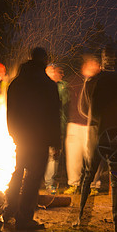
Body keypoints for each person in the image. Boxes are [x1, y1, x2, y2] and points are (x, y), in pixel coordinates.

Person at [74, 49, 117, 232]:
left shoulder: (93, 81)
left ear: (103, 61)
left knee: (88, 174)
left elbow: (84, 109)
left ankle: (80, 218)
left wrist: (98, 118)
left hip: (96, 133)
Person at [3, 47, 61, 230]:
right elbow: (53, 115)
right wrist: (55, 142)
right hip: (40, 139)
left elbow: (10, 111)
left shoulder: (17, 83)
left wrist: (13, 132)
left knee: (18, 172)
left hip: (22, 137)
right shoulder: (48, 85)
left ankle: (9, 209)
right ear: (44, 61)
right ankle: (24, 217)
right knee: (33, 178)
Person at [63, 55, 102, 195]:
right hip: (74, 124)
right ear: (85, 65)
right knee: (73, 156)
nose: (96, 66)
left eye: (97, 64)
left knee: (92, 156)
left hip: (92, 125)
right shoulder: (74, 80)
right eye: (93, 63)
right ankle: (74, 184)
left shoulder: (100, 82)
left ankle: (93, 184)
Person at [44, 63, 69, 194]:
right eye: (59, 72)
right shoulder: (40, 86)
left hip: (58, 125)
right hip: (42, 126)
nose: (61, 74)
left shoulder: (62, 86)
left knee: (54, 155)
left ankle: (49, 184)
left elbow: (64, 103)